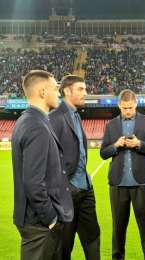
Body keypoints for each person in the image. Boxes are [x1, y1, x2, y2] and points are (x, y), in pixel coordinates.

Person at [11, 70, 73, 260]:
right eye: (55, 88)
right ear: (43, 92)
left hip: (34, 221)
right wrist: (51, 219)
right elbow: (33, 182)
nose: (59, 93)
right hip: (39, 224)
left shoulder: (28, 120)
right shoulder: (36, 125)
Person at [100, 89, 145, 260]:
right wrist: (115, 145)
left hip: (142, 184)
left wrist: (139, 144)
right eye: (124, 108)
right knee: (118, 228)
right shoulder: (111, 125)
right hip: (118, 184)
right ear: (119, 105)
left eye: (131, 107)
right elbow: (103, 153)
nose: (128, 111)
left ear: (136, 104)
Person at [49, 75, 100, 260]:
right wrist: (64, 186)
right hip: (67, 192)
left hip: (85, 189)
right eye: (81, 89)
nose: (85, 93)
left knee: (93, 238)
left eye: (85, 89)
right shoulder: (55, 117)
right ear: (67, 91)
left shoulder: (76, 115)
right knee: (64, 245)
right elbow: (50, 158)